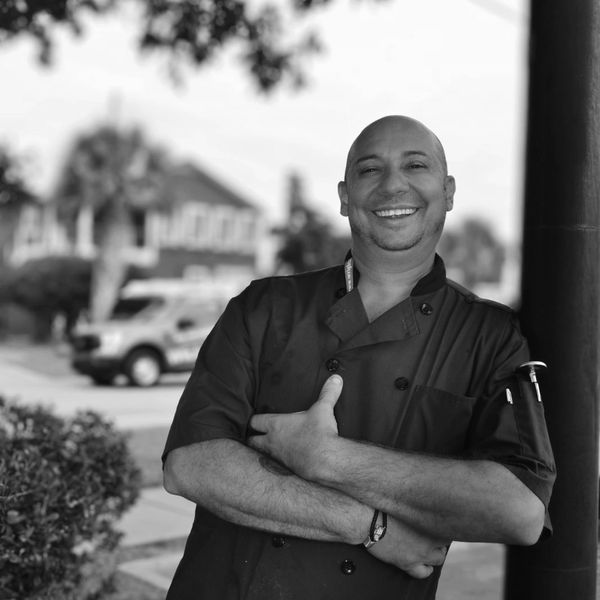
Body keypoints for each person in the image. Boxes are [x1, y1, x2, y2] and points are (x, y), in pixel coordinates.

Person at [162, 116, 556, 599]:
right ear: (345, 197)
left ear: (448, 191)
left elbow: (520, 511)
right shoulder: (265, 307)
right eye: (370, 169)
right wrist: (368, 525)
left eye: (416, 165)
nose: (393, 184)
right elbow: (191, 464)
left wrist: (329, 458)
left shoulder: (490, 335)